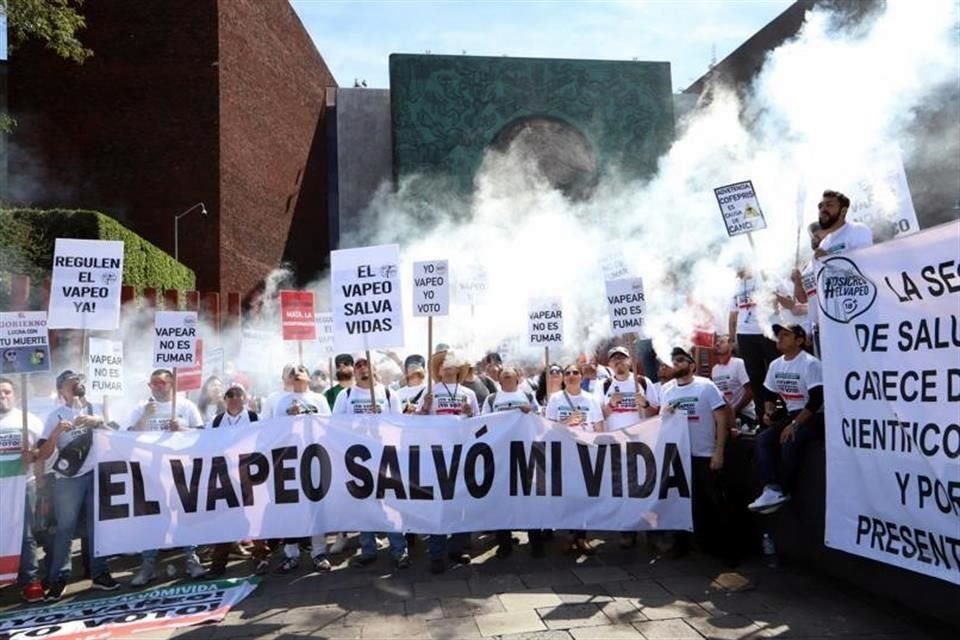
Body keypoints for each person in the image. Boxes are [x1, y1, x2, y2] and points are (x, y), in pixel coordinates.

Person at [36, 371, 119, 599]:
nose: (78, 383)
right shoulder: (55, 415)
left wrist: (98, 422)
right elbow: (42, 454)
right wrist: (56, 433)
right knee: (65, 528)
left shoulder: (95, 409)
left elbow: (118, 436)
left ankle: (100, 573)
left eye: (80, 380)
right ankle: (59, 578)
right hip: (68, 481)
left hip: (95, 475)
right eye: (72, 381)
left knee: (97, 526)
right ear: (61, 388)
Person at [126, 369, 205, 586]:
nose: (157, 387)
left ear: (172, 384)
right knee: (151, 517)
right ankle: (148, 564)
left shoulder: (186, 406)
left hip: (179, 469)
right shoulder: (141, 408)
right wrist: (145, 417)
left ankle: (191, 559)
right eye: (153, 384)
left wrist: (183, 429)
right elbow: (126, 437)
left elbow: (203, 436)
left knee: (184, 514)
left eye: (162, 383)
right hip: (150, 470)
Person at [334, 357, 409, 569]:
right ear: (353, 371)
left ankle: (399, 550)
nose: (362, 368)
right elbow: (335, 426)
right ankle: (367, 549)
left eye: (366, 363)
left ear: (374, 368)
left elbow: (399, 425)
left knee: (391, 503)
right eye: (358, 365)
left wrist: (381, 421)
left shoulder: (388, 394)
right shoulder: (345, 395)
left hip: (385, 455)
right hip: (357, 459)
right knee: (363, 504)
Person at [659, 348, 733, 563]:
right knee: (681, 501)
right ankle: (683, 544)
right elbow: (663, 422)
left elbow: (721, 418)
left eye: (682, 360)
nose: (677, 364)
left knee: (714, 501)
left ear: (692, 365)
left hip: (704, 453)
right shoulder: (666, 390)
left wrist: (718, 451)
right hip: (679, 456)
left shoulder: (705, 386)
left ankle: (726, 549)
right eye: (674, 361)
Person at [748, 325, 824, 514]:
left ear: (799, 340)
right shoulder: (776, 365)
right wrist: (768, 411)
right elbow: (769, 394)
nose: (779, 339)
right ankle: (771, 489)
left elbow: (816, 400)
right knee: (762, 439)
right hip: (792, 414)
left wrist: (795, 425)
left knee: (790, 440)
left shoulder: (810, 363)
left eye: (785, 335)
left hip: (815, 415)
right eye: (778, 336)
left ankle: (785, 489)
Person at [417, 350, 478, 573]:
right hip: (437, 454)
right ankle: (436, 552)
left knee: (461, 502)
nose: (446, 365)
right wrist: (424, 408)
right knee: (439, 505)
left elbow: (478, 424)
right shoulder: (430, 391)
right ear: (438, 370)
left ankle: (457, 547)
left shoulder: (468, 393)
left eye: (450, 362)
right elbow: (416, 423)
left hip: (462, 453)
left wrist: (470, 413)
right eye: (442, 363)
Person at [204, 382, 272, 577]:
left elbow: (266, 441)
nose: (234, 397)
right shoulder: (215, 422)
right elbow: (202, 444)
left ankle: (261, 557)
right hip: (225, 476)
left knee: (255, 517)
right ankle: (218, 564)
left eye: (238, 394)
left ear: (245, 397)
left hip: (250, 474)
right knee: (225, 519)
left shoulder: (255, 418)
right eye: (230, 394)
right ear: (224, 399)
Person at [273, 365, 332, 573]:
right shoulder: (282, 402)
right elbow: (274, 432)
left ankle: (319, 552)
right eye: (292, 372)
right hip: (290, 459)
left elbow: (329, 427)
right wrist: (291, 419)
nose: (296, 374)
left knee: (315, 504)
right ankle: (291, 554)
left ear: (309, 377)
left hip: (314, 456)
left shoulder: (320, 399)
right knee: (290, 507)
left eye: (301, 370)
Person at [481, 367, 544, 559]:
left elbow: (541, 421)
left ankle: (536, 542)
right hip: (500, 454)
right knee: (501, 500)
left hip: (525, 453)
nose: (507, 376)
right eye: (504, 375)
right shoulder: (491, 399)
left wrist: (530, 412)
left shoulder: (528, 396)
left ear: (518, 378)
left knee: (530, 498)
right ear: (499, 380)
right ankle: (504, 543)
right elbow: (482, 423)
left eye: (510, 374)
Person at [545, 364, 604, 555]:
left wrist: (598, 447)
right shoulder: (555, 399)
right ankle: (568, 534)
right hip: (564, 452)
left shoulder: (591, 399)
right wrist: (566, 422)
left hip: (585, 451)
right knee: (567, 495)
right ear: (563, 378)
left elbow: (599, 427)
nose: (571, 375)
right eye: (567, 372)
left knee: (584, 494)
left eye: (575, 372)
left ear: (581, 376)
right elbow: (547, 428)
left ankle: (581, 536)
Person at [0, 377, 46, 602]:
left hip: (22, 485)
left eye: (7, 392)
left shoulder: (29, 420)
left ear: (15, 395)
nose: (2, 396)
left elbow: (46, 450)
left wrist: (34, 455)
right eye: (0, 393)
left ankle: (31, 581)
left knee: (25, 534)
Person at [728, 268, 779, 420]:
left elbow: (776, 304)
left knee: (775, 370)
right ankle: (761, 415)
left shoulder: (763, 275)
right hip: (744, 334)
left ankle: (777, 411)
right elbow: (733, 315)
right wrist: (732, 339)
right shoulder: (735, 286)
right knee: (755, 377)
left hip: (766, 331)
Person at [601, 345, 659, 431]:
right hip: (616, 439)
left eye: (622, 358)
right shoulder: (604, 385)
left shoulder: (643, 381)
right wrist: (611, 405)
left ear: (630, 361)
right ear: (609, 364)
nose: (618, 361)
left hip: (641, 437)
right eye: (614, 359)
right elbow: (598, 417)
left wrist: (645, 405)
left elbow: (656, 415)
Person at [710, 336, 756, 431]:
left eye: (722, 342)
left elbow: (750, 391)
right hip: (724, 417)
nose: (717, 344)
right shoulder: (714, 370)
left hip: (744, 415)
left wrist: (734, 411)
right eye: (716, 342)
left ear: (731, 346)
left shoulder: (739, 364)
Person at [814, 189, 874, 260]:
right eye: (820, 206)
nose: (822, 210)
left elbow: (865, 262)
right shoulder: (824, 244)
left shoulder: (858, 230)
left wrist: (829, 259)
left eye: (829, 205)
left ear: (843, 211)